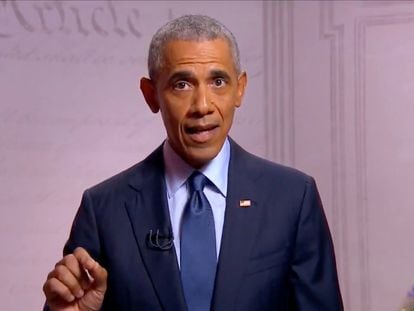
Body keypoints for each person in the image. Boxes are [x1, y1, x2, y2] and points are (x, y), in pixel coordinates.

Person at [43, 14, 343, 310]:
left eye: (218, 81)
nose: (202, 106)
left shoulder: (292, 198)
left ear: (240, 88)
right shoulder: (104, 210)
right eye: (182, 85)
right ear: (151, 95)